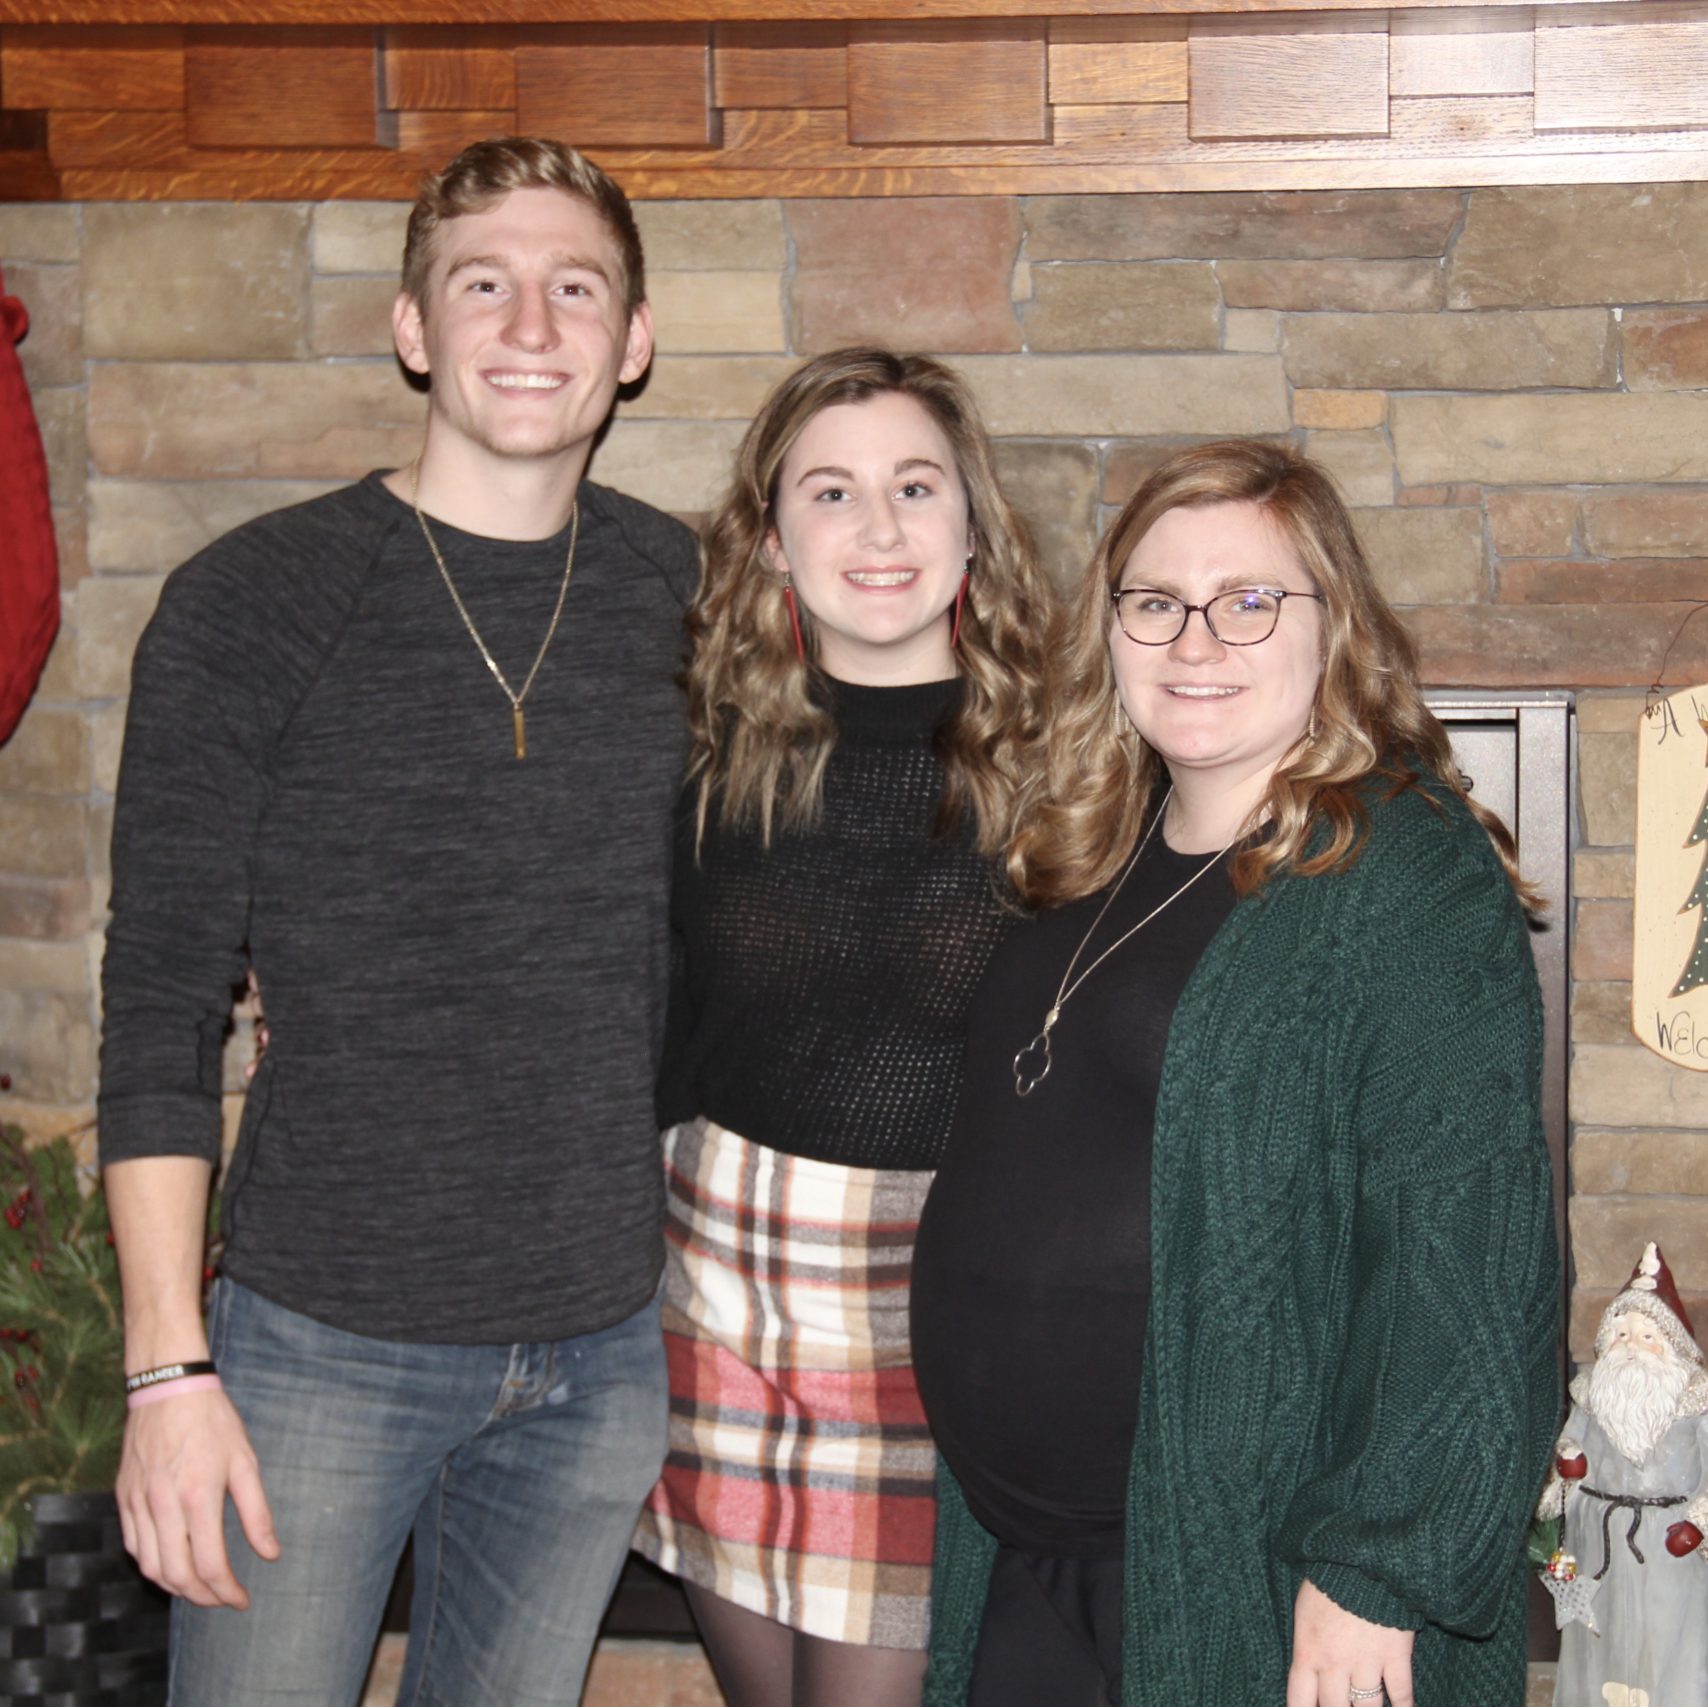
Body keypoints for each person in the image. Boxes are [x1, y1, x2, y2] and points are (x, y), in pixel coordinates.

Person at [98, 137, 696, 1705]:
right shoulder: (254, 603)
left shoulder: (692, 601)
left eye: (578, 288)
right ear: (414, 328)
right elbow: (159, 1003)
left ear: (632, 342)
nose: (531, 324)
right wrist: (169, 1370)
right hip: (316, 1346)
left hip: (600, 1353)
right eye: (482, 282)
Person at [910, 439, 1561, 1707]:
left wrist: (1381, 1567)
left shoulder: (1400, 880)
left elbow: (1468, 1245)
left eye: (1248, 600)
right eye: (1154, 601)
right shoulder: (1081, 858)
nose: (1193, 639)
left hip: (1245, 1575)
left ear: (1336, 631)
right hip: (1027, 1557)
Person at [632, 348, 1054, 1707]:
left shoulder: (1072, 765)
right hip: (713, 1282)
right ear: (772, 537)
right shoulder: (702, 756)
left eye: (914, 485)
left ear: (972, 522)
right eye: (831, 490)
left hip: (932, 1306)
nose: (878, 529)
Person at [1538, 1242, 1707, 1707]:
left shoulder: (1695, 1405)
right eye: (1623, 1334)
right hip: (1599, 1543)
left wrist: (1698, 1522)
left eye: (1648, 1335)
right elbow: (1566, 1455)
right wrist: (1568, 1464)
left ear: (1673, 1346)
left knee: (1670, 1639)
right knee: (1600, 1644)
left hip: (1669, 1545)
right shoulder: (1593, 1396)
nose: (1633, 1345)